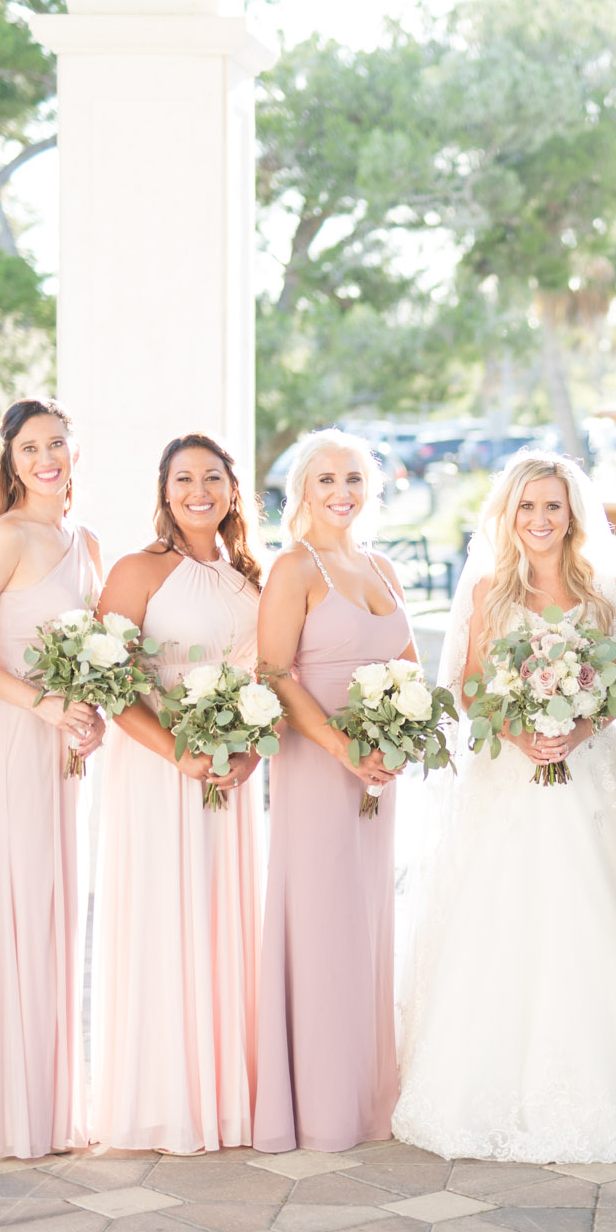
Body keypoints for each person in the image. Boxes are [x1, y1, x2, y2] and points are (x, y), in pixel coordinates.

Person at [393, 452, 616, 1162]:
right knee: (506, 917)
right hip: (510, 773)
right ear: (509, 515)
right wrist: (522, 732)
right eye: (527, 507)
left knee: (598, 912)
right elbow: (471, 689)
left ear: (572, 515)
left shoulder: (607, 589)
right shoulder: (487, 593)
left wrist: (579, 727)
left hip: (592, 773)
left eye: (552, 507)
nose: (539, 519)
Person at [89, 435, 266, 1154]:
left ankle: (226, 1097)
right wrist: (179, 753)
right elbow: (109, 683)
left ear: (232, 490)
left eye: (213, 477)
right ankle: (164, 1099)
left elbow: (269, 677)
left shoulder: (250, 577)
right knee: (163, 917)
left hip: (230, 774)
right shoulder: (139, 570)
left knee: (224, 920)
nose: (199, 490)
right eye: (184, 478)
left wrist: (247, 751)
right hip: (159, 773)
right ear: (165, 492)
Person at [0, 397, 105, 1161]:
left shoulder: (86, 540)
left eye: (59, 444)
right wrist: (40, 702)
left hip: (68, 749)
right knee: (17, 908)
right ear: (10, 461)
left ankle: (53, 1103)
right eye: (32, 447)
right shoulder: (7, 536)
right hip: (15, 738)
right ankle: (15, 1113)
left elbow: (104, 652)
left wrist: (91, 712)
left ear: (76, 454)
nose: (47, 457)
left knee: (56, 911)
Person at [252, 430, 413, 1153]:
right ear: (304, 490)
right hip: (320, 764)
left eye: (353, 477)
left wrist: (398, 741)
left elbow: (408, 663)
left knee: (366, 923)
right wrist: (344, 745)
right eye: (326, 479)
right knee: (320, 926)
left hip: (378, 772)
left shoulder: (382, 565)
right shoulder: (295, 567)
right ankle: (318, 1108)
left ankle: (366, 1095)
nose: (341, 491)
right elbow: (274, 672)